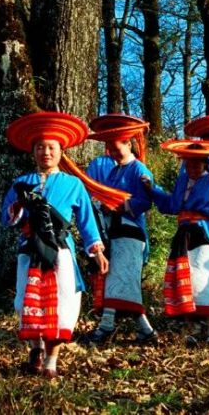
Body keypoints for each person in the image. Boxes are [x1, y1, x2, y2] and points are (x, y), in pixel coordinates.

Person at [1, 111, 108, 378]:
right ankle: (35, 348)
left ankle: (52, 360)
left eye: (51, 147)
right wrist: (18, 210)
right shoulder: (20, 183)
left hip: (60, 251)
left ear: (61, 151)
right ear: (33, 151)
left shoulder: (73, 184)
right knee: (25, 299)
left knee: (63, 303)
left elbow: (86, 220)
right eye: (40, 147)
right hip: (29, 250)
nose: (45, 152)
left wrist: (96, 251)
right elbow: (6, 217)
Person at [142, 139, 209, 345]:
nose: (192, 167)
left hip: (204, 234)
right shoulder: (183, 181)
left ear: (205, 163)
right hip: (183, 235)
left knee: (203, 276)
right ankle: (193, 327)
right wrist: (151, 189)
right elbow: (172, 205)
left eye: (196, 163)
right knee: (186, 277)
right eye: (188, 163)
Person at [81, 114, 157, 345]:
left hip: (131, 231)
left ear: (128, 143)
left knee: (122, 279)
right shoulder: (114, 171)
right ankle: (144, 330)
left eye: (116, 148)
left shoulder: (139, 169)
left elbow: (145, 201)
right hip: (115, 231)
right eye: (110, 149)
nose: (113, 153)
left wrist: (118, 205)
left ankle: (106, 328)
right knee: (119, 279)